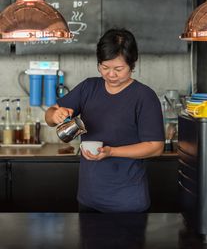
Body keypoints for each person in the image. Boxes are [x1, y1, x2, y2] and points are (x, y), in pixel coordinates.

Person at [45, 28, 165, 213]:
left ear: (132, 64)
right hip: (88, 198)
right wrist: (55, 115)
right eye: (104, 67)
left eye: (118, 69)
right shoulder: (88, 87)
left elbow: (156, 147)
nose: (111, 75)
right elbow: (51, 114)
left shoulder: (144, 97)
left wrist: (111, 152)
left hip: (128, 202)